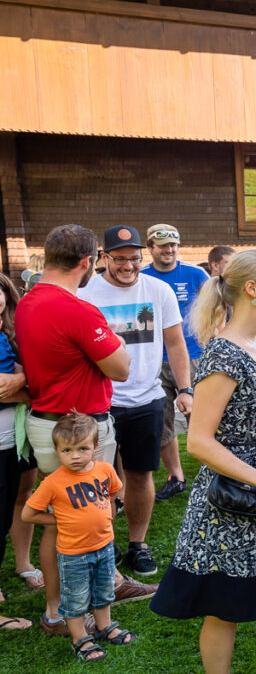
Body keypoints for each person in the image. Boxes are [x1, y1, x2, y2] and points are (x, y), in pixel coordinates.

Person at [149, 250, 256, 673]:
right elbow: (199, 442)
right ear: (251, 289)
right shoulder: (222, 355)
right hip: (234, 499)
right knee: (222, 605)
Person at [17, 225, 154, 634]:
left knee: (60, 517)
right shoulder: (77, 308)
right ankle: (73, 608)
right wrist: (115, 339)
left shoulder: (27, 302)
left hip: (43, 422)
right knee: (91, 512)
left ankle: (65, 606)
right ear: (87, 262)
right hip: (81, 427)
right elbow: (122, 367)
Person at [79, 225, 194, 576]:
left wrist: (186, 389)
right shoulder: (86, 294)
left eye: (134, 259)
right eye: (119, 259)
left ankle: (137, 544)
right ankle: (105, 541)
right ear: (103, 258)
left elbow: (175, 343)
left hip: (147, 398)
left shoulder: (158, 290)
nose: (128, 266)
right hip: (102, 401)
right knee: (100, 477)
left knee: (142, 475)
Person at [23, 413, 134, 661]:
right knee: (75, 597)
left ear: (95, 447)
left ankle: (104, 626)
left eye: (83, 448)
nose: (75, 456)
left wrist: (106, 513)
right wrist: (58, 519)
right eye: (67, 450)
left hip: (104, 547)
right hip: (73, 554)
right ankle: (80, 638)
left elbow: (115, 491)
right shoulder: (53, 483)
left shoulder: (105, 470)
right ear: (57, 450)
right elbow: (28, 513)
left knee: (104, 590)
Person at [141, 223, 209, 503]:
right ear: (150, 249)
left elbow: (218, 307)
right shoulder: (141, 278)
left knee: (202, 417)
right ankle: (176, 477)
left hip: (193, 357)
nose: (169, 250)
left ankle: (214, 470)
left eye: (173, 245)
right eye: (163, 246)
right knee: (162, 421)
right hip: (153, 360)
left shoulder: (196, 274)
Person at [0, 272, 33, 629]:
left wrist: (21, 383)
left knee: (12, 507)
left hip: (14, 440)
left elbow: (32, 387)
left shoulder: (14, 334)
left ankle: (21, 564)